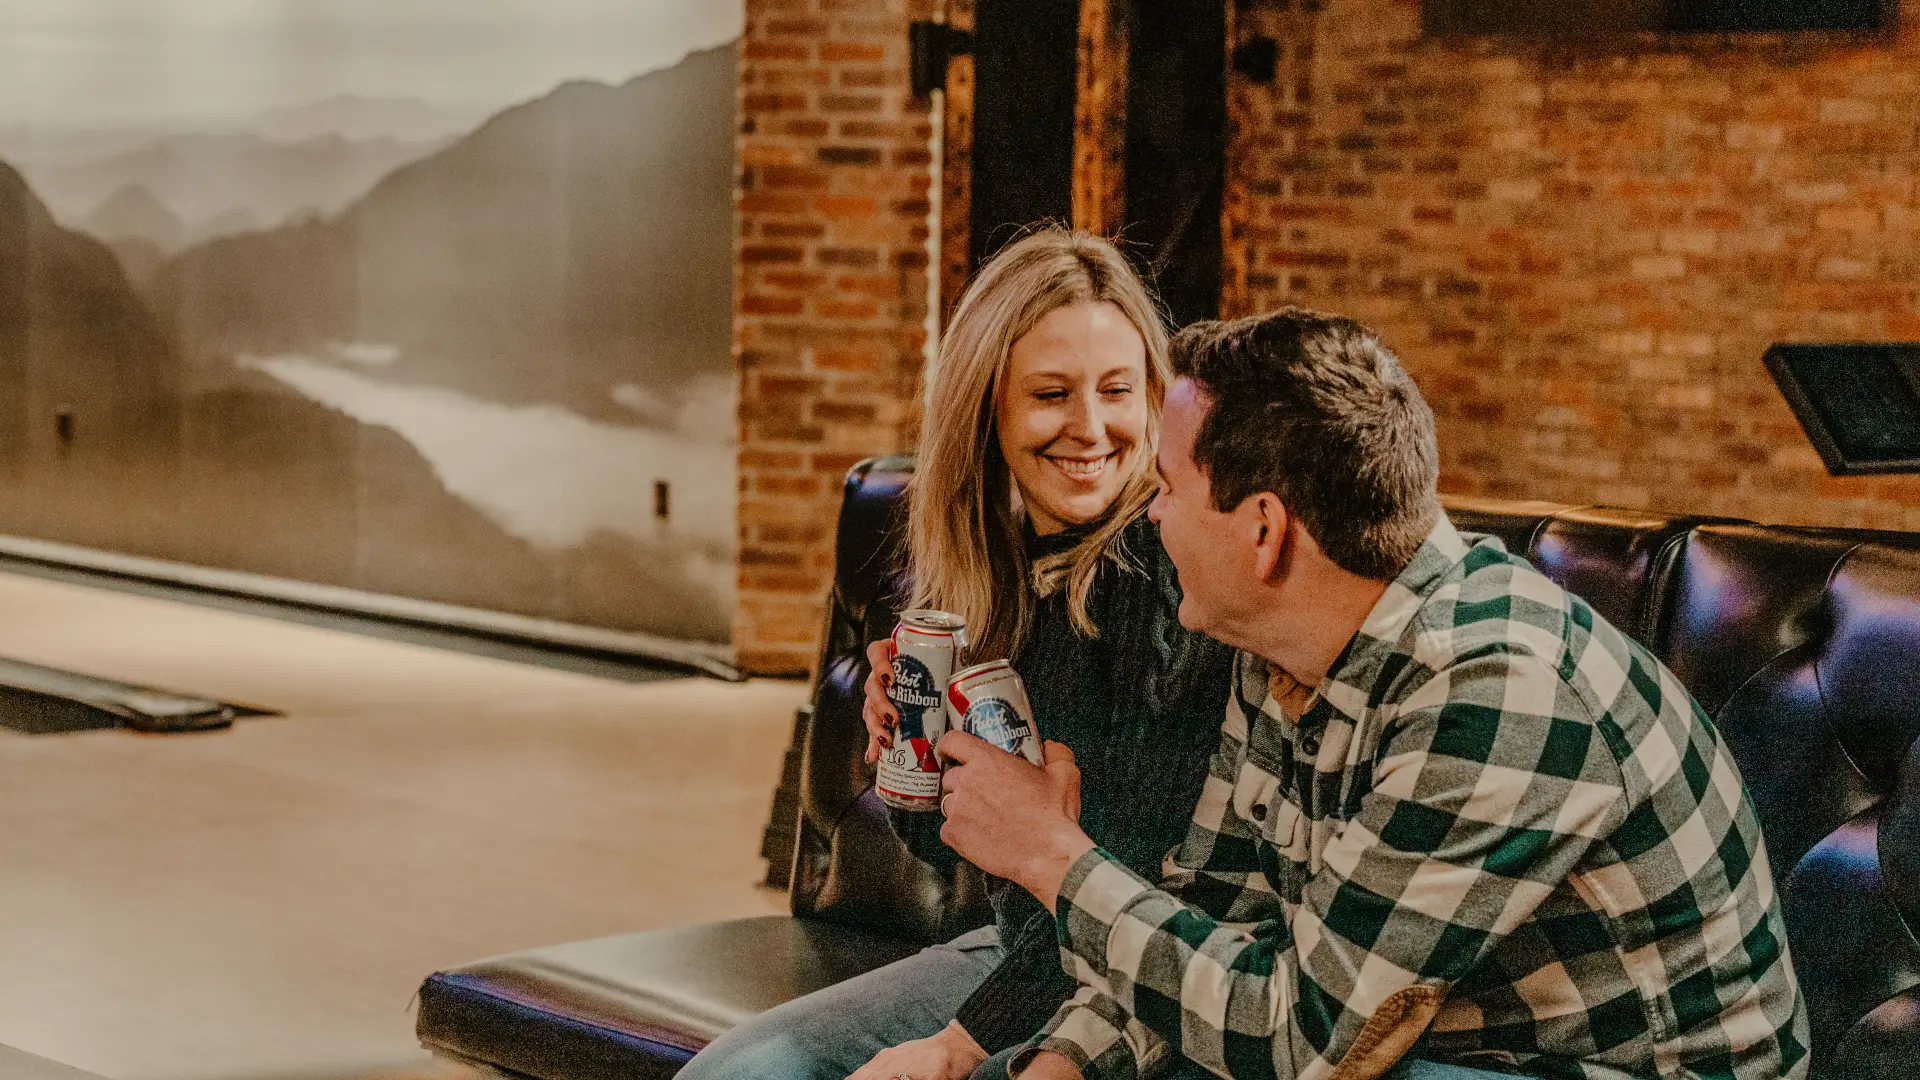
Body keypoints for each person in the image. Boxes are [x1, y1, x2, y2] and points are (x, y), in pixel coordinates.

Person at [934, 309, 1809, 1080]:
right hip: (1422, 1044)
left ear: (1265, 531)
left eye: (1167, 487)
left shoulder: (1496, 694)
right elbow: (1214, 910)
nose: (1151, 514)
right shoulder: (1281, 643)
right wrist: (1060, 1067)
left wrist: (1049, 855)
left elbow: (1302, 1043)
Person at [676, 229, 1234, 1080]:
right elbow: (946, 853)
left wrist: (957, 1044)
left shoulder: (1163, 578)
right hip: (1017, 951)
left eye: (1118, 390)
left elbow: (1136, 898)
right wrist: (921, 766)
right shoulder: (991, 566)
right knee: (737, 1072)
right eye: (1052, 394)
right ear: (989, 408)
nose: (1092, 428)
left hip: (1135, 981)